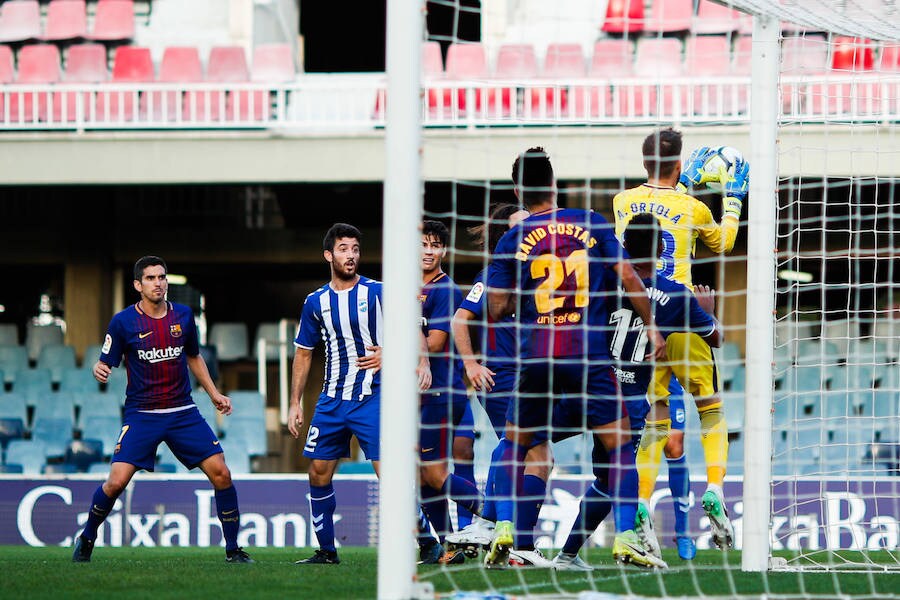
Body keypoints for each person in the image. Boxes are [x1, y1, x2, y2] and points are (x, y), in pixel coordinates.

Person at [485, 147, 668, 569]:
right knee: (619, 446)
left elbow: (495, 310)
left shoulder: (513, 238)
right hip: (587, 355)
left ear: (518, 192)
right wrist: (652, 325)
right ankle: (624, 536)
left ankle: (506, 528)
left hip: (537, 357)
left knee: (517, 442)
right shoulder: (592, 222)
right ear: (553, 184)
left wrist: (524, 297)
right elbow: (628, 276)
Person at [553, 213, 723, 570]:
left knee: (535, 447)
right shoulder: (677, 296)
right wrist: (707, 312)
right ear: (663, 248)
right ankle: (623, 542)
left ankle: (555, 549)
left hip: (582, 386)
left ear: (624, 245)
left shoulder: (599, 281)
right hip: (625, 401)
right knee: (618, 472)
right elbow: (716, 339)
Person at [612, 128, 749, 553]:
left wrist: (682, 180)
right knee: (709, 407)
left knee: (654, 419)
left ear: (643, 163)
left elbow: (656, 212)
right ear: (677, 163)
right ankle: (714, 488)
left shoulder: (621, 202)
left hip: (643, 318)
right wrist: (732, 197)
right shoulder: (693, 208)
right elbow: (724, 244)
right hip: (685, 310)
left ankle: (639, 502)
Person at [72, 256, 253, 564]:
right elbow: (105, 361)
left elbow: (194, 357)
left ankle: (233, 550)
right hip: (142, 415)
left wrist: (213, 394)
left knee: (222, 474)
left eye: (162, 277)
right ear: (137, 285)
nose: (158, 283)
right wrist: (99, 369)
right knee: (115, 482)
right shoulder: (123, 322)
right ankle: (88, 536)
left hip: (183, 411)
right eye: (151, 278)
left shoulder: (183, 315)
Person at [288, 223, 424, 565]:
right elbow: (304, 352)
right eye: (344, 249)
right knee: (318, 472)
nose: (351, 255)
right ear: (328, 255)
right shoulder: (315, 302)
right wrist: (294, 403)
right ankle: (326, 551)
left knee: (389, 475)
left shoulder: (378, 292)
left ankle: (428, 542)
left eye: (355, 249)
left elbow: (416, 328)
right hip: (332, 401)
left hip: (373, 398)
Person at [449, 204, 558, 567]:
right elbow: (459, 320)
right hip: (502, 378)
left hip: (534, 379)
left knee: (517, 449)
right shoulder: (493, 275)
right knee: (538, 455)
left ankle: (488, 526)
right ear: (505, 235)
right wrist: (470, 363)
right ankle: (520, 546)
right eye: (521, 226)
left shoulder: (542, 274)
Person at [417, 219, 483, 564]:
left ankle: (498, 518)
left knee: (435, 473)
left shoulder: (445, 290)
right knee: (424, 476)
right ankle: (446, 547)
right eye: (423, 244)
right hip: (421, 397)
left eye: (434, 245)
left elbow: (437, 341)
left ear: (443, 251)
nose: (428, 251)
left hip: (442, 391)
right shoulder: (409, 288)